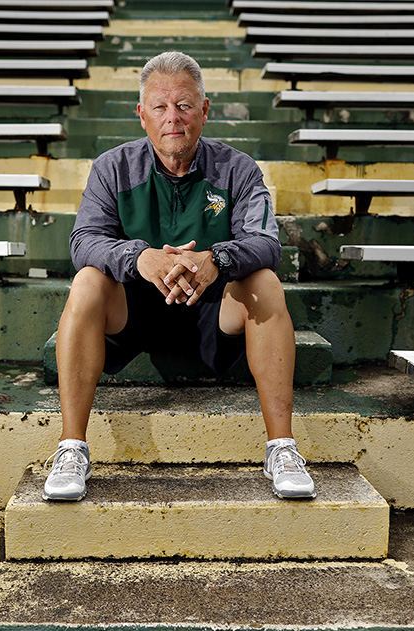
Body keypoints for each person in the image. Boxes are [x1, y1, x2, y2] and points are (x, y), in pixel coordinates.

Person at [43, 51, 315, 502]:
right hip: (134, 312)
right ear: (142, 115)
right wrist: (141, 259)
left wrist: (216, 260)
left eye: (185, 105)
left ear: (204, 110)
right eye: (161, 107)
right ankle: (71, 448)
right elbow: (84, 241)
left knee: (264, 282)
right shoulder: (113, 168)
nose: (174, 118)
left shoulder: (239, 169)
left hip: (212, 311)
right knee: (88, 281)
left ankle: (282, 449)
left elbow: (267, 242)